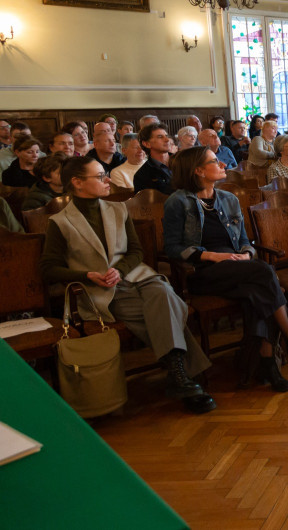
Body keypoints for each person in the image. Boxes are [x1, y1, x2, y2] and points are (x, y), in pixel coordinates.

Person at [41, 156, 215, 414]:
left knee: (162, 291)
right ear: (77, 183)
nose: (107, 180)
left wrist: (118, 270)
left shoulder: (117, 209)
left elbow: (135, 251)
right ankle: (180, 375)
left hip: (135, 276)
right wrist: (87, 274)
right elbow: (49, 269)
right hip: (101, 290)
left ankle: (179, 376)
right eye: (100, 176)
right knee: (162, 310)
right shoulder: (61, 222)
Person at [163, 147, 288, 393]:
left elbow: (246, 241)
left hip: (241, 269)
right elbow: (172, 248)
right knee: (265, 274)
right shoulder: (178, 202)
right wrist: (214, 256)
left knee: (256, 292)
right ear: (198, 170)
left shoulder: (228, 199)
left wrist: (247, 254)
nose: (223, 164)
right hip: (204, 272)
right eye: (215, 161)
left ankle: (269, 363)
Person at [133, 123, 175, 195]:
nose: (167, 140)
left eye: (166, 136)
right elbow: (146, 204)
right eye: (160, 137)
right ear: (147, 144)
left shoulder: (184, 161)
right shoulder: (142, 175)